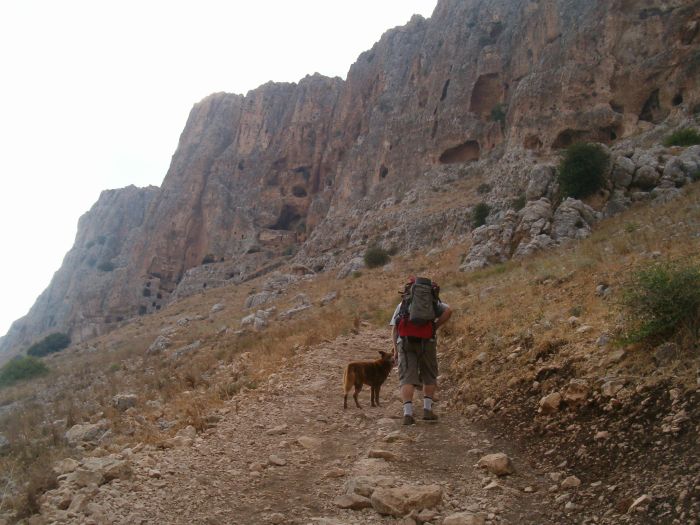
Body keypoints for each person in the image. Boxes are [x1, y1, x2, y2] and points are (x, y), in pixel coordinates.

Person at [390, 277, 452, 425]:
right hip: (427, 341)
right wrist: (434, 327)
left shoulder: (403, 304)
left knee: (407, 376)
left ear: (410, 290)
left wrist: (395, 349)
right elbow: (449, 310)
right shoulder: (433, 303)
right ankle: (427, 410)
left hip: (405, 342)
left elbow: (394, 328)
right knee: (429, 374)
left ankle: (408, 414)